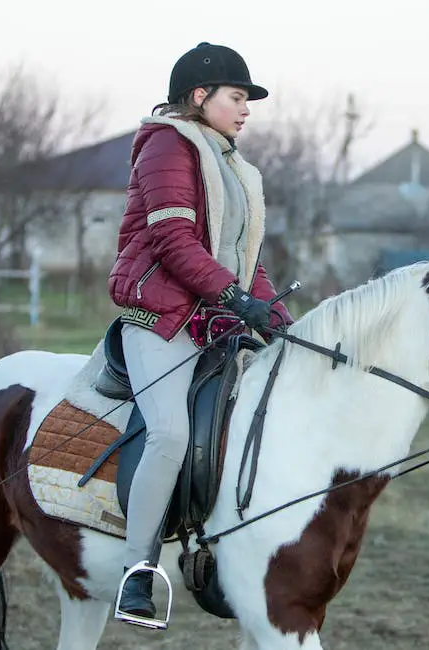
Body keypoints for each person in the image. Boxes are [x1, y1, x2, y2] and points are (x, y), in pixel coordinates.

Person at [107, 41, 294, 621]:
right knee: (167, 434)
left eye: (247, 100)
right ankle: (136, 572)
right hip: (159, 320)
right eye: (237, 97)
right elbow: (174, 243)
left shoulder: (234, 166)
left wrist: (280, 323)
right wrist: (237, 300)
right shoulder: (166, 145)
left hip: (213, 321)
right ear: (199, 96)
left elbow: (249, 264)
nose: (246, 109)